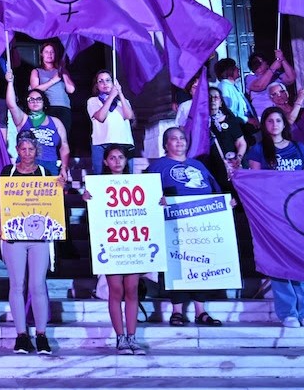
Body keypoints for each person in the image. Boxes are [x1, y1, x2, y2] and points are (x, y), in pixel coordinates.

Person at [245, 107, 304, 328]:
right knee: (279, 261)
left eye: (278, 120)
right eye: (269, 121)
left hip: (298, 213)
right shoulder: (258, 150)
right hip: (273, 214)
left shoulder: (299, 147)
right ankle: (288, 313)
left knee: (302, 260)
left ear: (284, 124)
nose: (274, 124)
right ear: (264, 125)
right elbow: (253, 183)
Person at [145, 127, 223, 327]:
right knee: (175, 265)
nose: (179, 142)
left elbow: (215, 191)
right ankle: (177, 311)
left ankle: (200, 311)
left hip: (201, 225)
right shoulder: (157, 167)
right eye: (174, 139)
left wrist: (225, 203)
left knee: (201, 263)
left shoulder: (198, 165)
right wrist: (157, 200)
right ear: (165, 144)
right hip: (173, 225)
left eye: (182, 138)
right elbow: (145, 194)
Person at [0, 130, 55, 356]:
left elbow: (54, 202)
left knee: (38, 285)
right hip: (14, 235)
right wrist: (0, 218)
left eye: (31, 149)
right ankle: (21, 336)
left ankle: (41, 335)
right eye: (23, 149)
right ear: (17, 150)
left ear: (36, 150)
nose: (27, 153)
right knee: (17, 285)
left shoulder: (45, 173)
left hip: (39, 236)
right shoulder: (7, 172)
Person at [82, 144, 146, 355]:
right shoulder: (98, 186)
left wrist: (158, 202)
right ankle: (120, 337)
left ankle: (132, 337)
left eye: (121, 157)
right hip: (112, 245)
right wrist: (87, 200)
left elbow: (148, 209)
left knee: (132, 289)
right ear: (105, 162)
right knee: (116, 290)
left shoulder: (138, 184)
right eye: (112, 158)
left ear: (126, 161)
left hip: (133, 244)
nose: (117, 161)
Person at [5, 71, 70, 176]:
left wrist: (64, 167)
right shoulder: (23, 119)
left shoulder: (56, 122)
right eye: (31, 99)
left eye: (39, 99)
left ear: (44, 102)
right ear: (27, 103)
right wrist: (10, 82)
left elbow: (64, 146)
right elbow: (11, 105)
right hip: (25, 166)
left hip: (50, 165)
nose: (35, 102)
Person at [87, 70, 135, 171]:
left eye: (108, 80)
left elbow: (129, 116)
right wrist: (111, 97)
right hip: (101, 143)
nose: (105, 83)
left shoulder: (124, 101)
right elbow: (101, 117)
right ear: (97, 85)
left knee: (128, 175)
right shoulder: (93, 101)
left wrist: (120, 93)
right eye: (101, 81)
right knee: (100, 175)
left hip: (124, 143)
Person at [27, 39, 75, 132]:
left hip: (64, 107)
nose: (49, 54)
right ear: (42, 54)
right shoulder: (37, 71)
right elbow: (34, 91)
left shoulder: (61, 71)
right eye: (46, 52)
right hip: (47, 107)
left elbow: (71, 89)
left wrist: (63, 70)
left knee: (63, 135)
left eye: (52, 52)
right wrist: (53, 81)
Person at [267, 81, 304, 154]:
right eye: (274, 94)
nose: (279, 95)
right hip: (297, 153)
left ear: (287, 93)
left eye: (282, 91)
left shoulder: (299, 110)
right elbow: (288, 122)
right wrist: (299, 100)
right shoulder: (274, 115)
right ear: (271, 99)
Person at [243, 50, 296, 122]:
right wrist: (273, 68)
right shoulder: (250, 78)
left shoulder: (276, 75)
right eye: (254, 64)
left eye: (259, 63)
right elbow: (259, 86)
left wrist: (282, 59)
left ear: (267, 63)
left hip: (280, 116)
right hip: (262, 118)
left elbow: (291, 78)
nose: (258, 66)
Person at [214, 58, 255, 127]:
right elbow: (227, 109)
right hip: (239, 125)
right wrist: (247, 119)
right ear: (229, 70)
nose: (238, 69)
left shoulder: (233, 86)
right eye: (235, 67)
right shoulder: (224, 86)